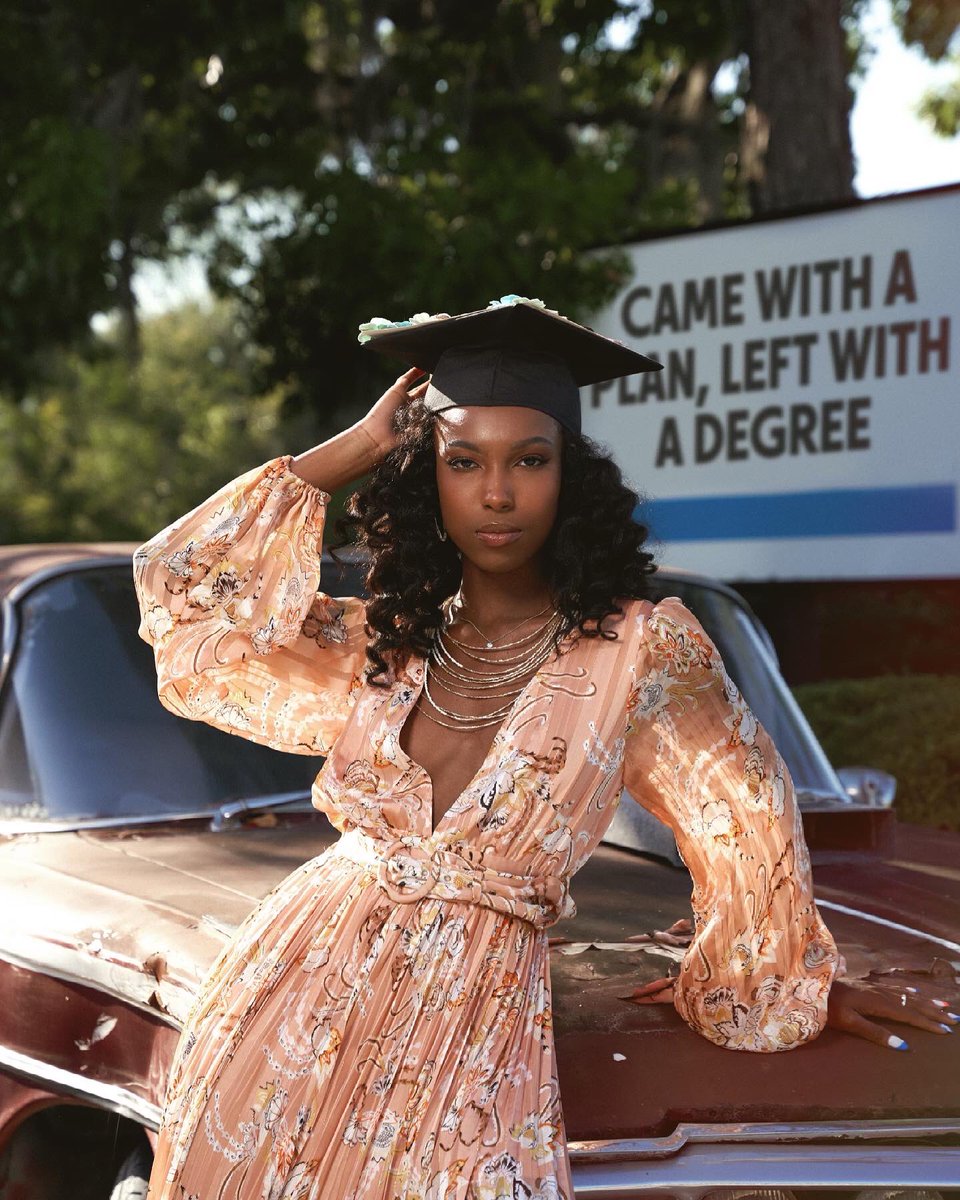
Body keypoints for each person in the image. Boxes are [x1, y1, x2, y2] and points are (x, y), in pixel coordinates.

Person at [133, 297, 955, 1200]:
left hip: (467, 1032)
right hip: (289, 992)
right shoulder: (383, 642)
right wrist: (357, 448)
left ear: (570, 478)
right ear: (426, 479)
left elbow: (743, 812)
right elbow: (187, 598)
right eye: (462, 462)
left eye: (530, 459)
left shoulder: (641, 653)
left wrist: (787, 981)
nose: (496, 493)